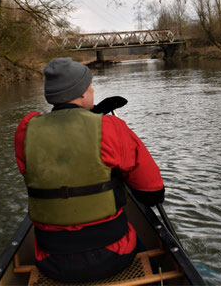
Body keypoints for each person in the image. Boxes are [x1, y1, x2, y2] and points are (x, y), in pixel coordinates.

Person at [14, 57, 165, 283]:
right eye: (90, 86)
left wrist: (91, 117)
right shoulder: (111, 128)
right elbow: (152, 193)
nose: (93, 90)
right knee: (156, 266)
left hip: (50, 260)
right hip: (114, 255)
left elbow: (56, 157)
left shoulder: (25, 130)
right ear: (83, 94)